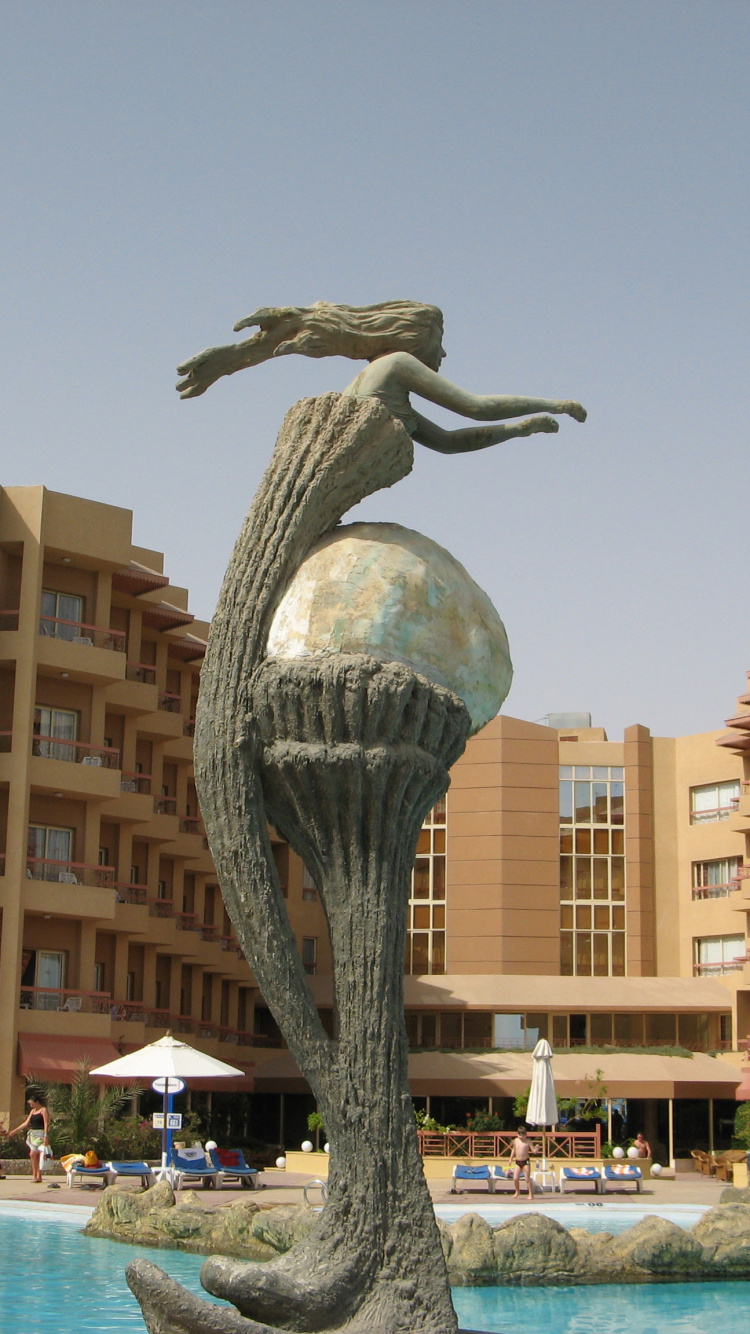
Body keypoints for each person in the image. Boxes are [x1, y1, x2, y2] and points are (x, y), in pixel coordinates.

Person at [175, 300, 587, 455]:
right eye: (440, 341)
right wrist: (553, 404)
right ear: (415, 337)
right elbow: (475, 408)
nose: (443, 353)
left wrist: (521, 429)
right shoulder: (396, 364)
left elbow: (446, 443)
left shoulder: (373, 385)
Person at [8, 1093, 50, 1182]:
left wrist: (46, 1136)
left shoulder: (43, 1110)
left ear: (37, 1102)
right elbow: (26, 1123)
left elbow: (46, 1123)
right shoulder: (33, 1111)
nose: (31, 1105)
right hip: (33, 1135)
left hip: (41, 1134)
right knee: (33, 1155)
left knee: (36, 1154)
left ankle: (38, 1175)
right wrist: (15, 1131)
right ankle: (36, 1176)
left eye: (32, 1103)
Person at [509, 1124, 533, 1200]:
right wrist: (510, 1159)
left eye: (523, 1135)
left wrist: (537, 1149)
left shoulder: (528, 1141)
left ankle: (531, 1194)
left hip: (526, 1161)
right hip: (518, 1161)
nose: (521, 1136)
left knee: (527, 1178)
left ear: (526, 1135)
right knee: (515, 1178)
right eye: (520, 1135)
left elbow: (533, 1150)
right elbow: (514, 1150)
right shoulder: (516, 1140)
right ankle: (517, 1191)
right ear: (517, 1134)